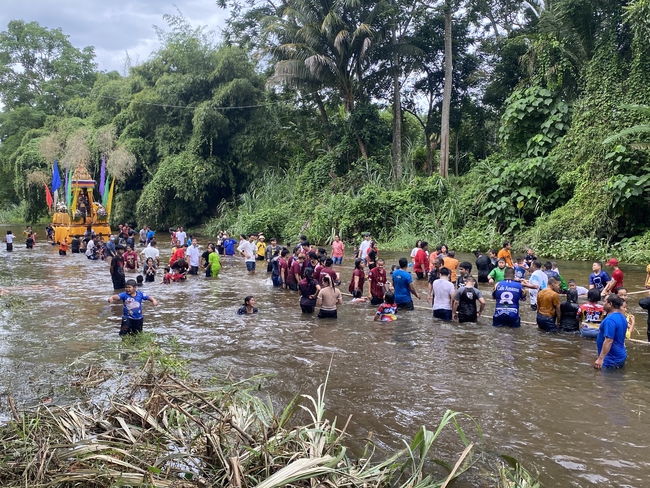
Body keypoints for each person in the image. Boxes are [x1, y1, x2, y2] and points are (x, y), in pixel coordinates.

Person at [594, 294, 627, 369]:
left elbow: (609, 340)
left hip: (611, 359)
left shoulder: (610, 320)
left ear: (610, 304)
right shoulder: (622, 316)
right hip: (620, 355)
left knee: (605, 380)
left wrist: (600, 358)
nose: (603, 303)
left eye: (605, 301)